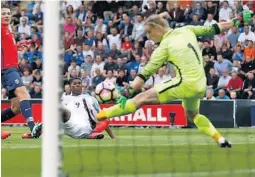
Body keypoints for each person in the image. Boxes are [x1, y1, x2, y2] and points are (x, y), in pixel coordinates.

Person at [97, 14, 234, 148]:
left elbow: (143, 76)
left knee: (141, 98)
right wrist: (236, 21)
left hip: (184, 84)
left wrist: (127, 92)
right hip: (200, 85)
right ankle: (219, 138)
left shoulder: (164, 47)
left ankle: (98, 116)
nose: (149, 36)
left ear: (157, 28)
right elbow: (215, 28)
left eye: (149, 32)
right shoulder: (187, 29)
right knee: (193, 115)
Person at [1, 4, 42, 139]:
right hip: (8, 69)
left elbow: (7, 47)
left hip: (13, 69)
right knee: (24, 94)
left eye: (8, 13)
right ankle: (33, 128)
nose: (6, 16)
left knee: (16, 108)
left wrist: (18, 45)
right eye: (3, 13)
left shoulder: (7, 30)